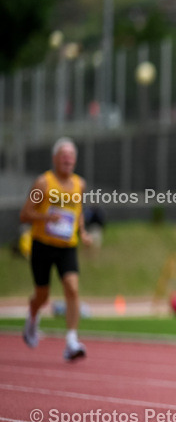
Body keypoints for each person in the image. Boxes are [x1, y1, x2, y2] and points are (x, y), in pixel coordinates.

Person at [20, 138, 93, 361]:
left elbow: (78, 212)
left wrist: (83, 232)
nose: (68, 159)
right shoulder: (42, 183)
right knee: (42, 295)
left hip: (67, 247)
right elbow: (25, 214)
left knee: (72, 288)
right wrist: (45, 217)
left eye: (71, 156)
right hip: (42, 245)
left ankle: (71, 341)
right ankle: (32, 316)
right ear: (55, 159)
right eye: (64, 155)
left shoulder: (80, 185)